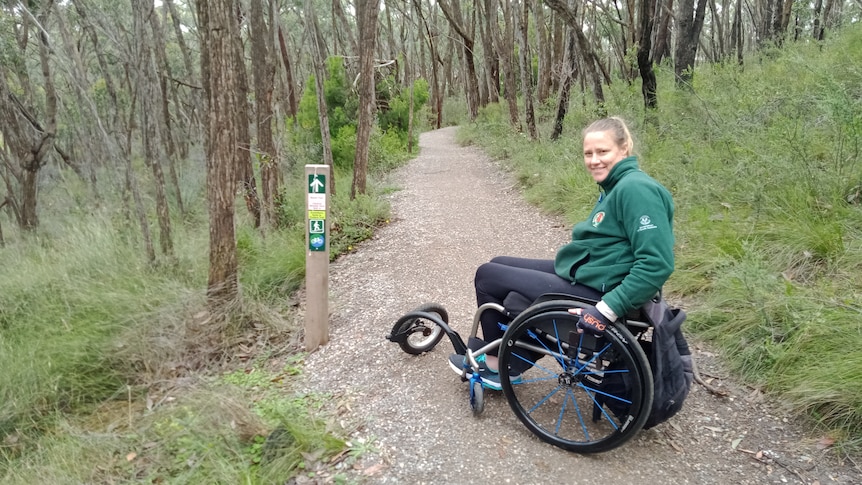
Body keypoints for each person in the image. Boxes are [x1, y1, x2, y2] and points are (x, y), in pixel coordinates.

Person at [449, 116, 676, 390]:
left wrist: (607, 310)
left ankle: (500, 366)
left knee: (487, 276)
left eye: (603, 152)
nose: (594, 160)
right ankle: (517, 348)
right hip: (594, 276)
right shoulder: (617, 185)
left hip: (603, 293)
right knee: (499, 263)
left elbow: (656, 264)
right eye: (588, 154)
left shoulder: (636, 189)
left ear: (624, 148)